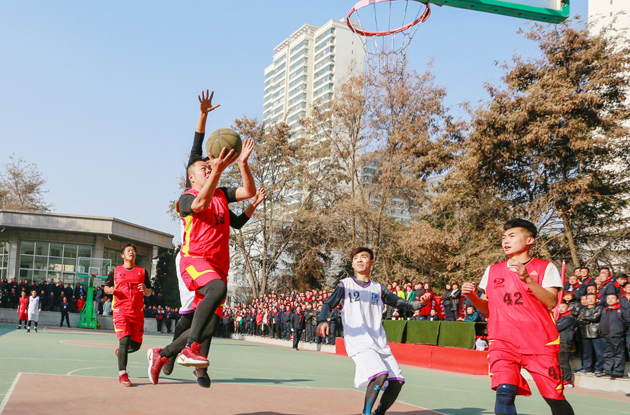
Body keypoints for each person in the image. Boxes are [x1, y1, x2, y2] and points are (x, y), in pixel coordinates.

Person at [147, 90, 257, 386]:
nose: (208, 167)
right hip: (194, 260)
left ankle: (164, 354)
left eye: (211, 166)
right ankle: (192, 352)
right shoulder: (187, 197)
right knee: (214, 292)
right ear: (191, 177)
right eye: (203, 168)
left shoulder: (221, 193)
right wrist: (202, 117)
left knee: (210, 323)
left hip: (219, 264)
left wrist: (243, 165)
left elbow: (248, 192)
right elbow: (199, 199)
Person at [461, 219, 574, 415]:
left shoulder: (545, 267)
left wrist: (527, 278)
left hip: (539, 342)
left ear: (529, 240)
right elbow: (487, 308)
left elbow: (551, 302)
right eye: (504, 237)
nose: (506, 241)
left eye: (512, 236)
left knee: (553, 397)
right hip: (502, 340)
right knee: (504, 393)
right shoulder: (492, 270)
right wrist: (471, 295)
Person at [317, 247, 431, 415]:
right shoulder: (345, 285)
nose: (359, 260)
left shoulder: (379, 288)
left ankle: (379, 412)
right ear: (352, 264)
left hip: (379, 341)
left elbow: (404, 304)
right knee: (379, 374)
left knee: (397, 381)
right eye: (356, 258)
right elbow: (328, 304)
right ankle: (366, 413)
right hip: (358, 340)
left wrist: (421, 304)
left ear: (372, 262)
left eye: (364, 257)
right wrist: (322, 321)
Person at [103, 243, 152, 387]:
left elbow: (149, 291)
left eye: (133, 251)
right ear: (122, 255)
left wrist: (145, 290)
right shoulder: (115, 271)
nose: (132, 252)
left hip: (137, 313)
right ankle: (123, 375)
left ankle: (121, 352)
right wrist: (110, 290)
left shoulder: (142, 272)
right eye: (128, 250)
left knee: (136, 346)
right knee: (124, 340)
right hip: (121, 311)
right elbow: (106, 287)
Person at [599, 293, 630, 378]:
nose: (610, 300)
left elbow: (627, 322)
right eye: (608, 298)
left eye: (612, 298)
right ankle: (608, 370)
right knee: (607, 353)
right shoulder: (604, 310)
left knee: (618, 353)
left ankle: (618, 371)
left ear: (617, 300)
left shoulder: (622, 310)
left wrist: (620, 330)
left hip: (617, 335)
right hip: (605, 335)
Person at [576, 293, 604, 375]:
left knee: (599, 352)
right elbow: (579, 319)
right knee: (587, 352)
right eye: (588, 298)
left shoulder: (599, 308)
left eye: (592, 298)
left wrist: (584, 317)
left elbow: (596, 318)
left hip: (596, 333)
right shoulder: (583, 309)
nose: (590, 300)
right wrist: (590, 318)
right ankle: (587, 367)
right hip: (585, 332)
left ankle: (599, 368)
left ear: (596, 300)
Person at [555, 302, 576, 387]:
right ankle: (561, 378)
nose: (561, 309)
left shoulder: (569, 318)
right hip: (559, 341)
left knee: (563, 362)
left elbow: (557, 328)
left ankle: (567, 380)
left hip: (564, 342)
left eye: (563, 307)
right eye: (559, 307)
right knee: (559, 361)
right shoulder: (561, 318)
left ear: (568, 308)